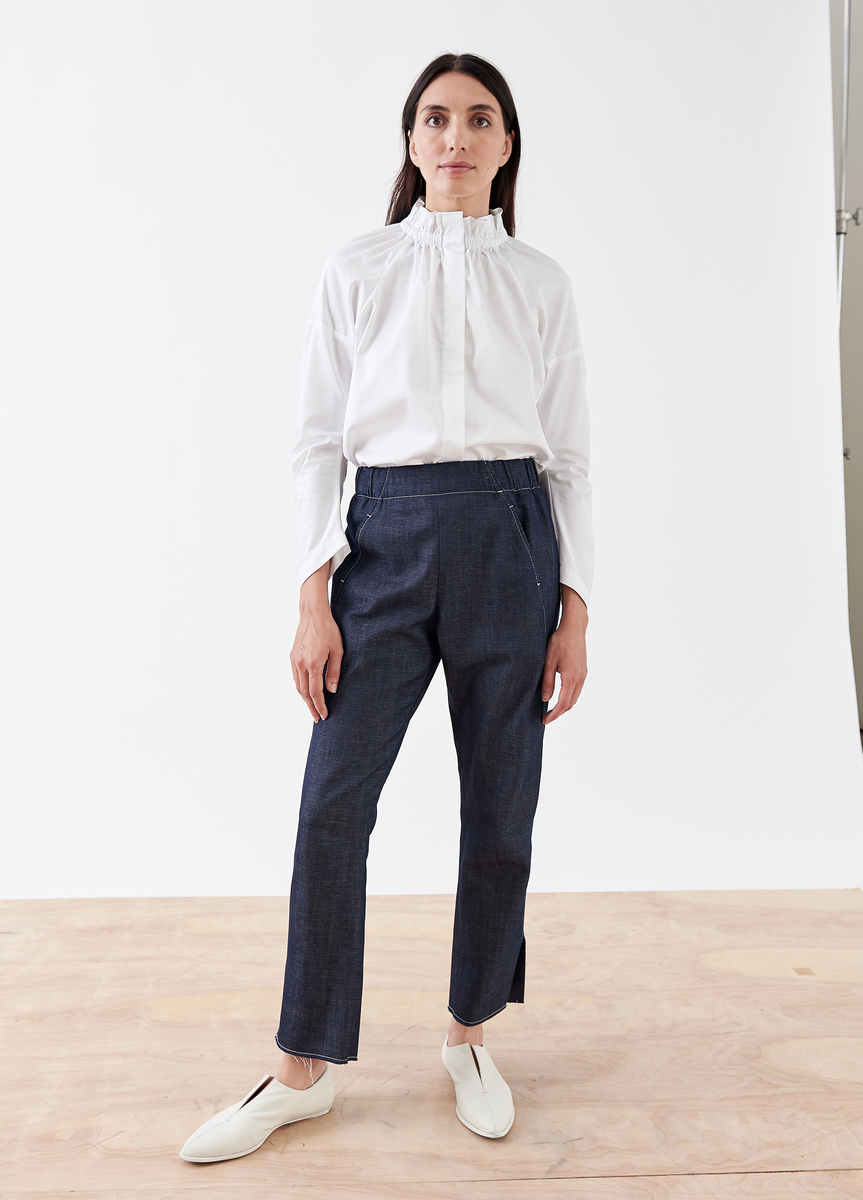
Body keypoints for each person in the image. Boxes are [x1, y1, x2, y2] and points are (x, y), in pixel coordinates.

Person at [180, 51, 593, 1164]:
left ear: (506, 147)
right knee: (332, 805)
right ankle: (300, 1067)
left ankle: (467, 1035)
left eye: (479, 120)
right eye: (435, 119)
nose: (455, 137)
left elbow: (572, 459)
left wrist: (577, 602)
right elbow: (318, 439)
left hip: (512, 536)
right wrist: (314, 594)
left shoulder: (541, 282)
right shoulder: (358, 269)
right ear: (411, 144)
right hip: (386, 539)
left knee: (501, 806)